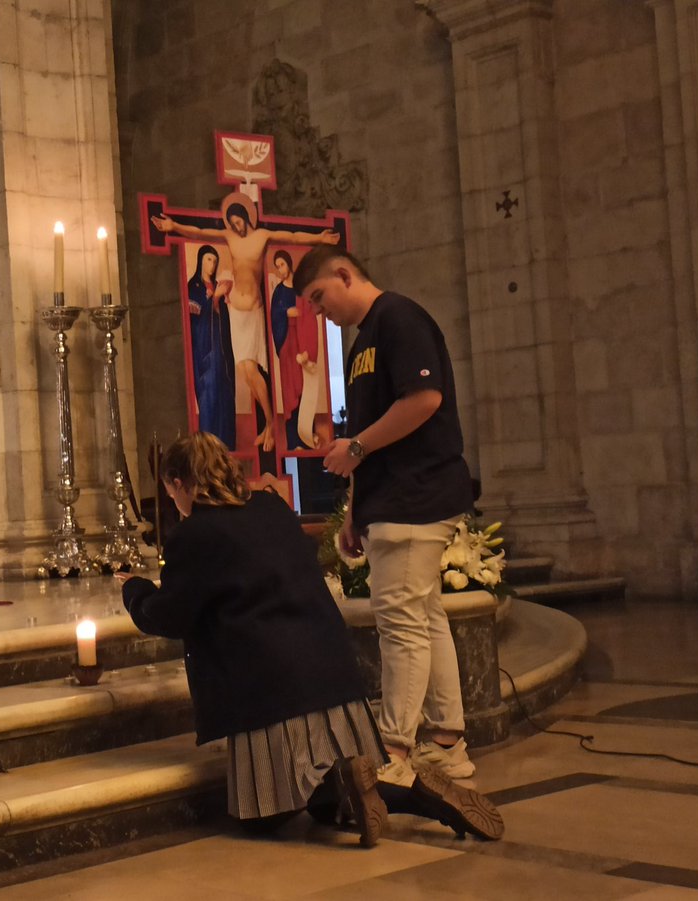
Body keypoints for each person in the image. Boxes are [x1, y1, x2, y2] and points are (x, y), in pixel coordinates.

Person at [118, 433, 504, 845]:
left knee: (263, 818)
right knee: (326, 805)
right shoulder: (272, 508)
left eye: (170, 490)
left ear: (179, 483)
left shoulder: (195, 534)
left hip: (272, 697)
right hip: (334, 683)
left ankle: (342, 779)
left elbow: (169, 616)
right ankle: (421, 798)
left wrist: (135, 589)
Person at [292, 246, 479, 785]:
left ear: (345, 275)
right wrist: (355, 509)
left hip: (417, 495)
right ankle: (447, 741)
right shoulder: (359, 346)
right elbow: (369, 433)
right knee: (425, 615)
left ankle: (395, 753)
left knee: (399, 623)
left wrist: (354, 451)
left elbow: (424, 399)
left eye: (319, 297)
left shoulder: (399, 316)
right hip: (390, 499)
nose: (318, 311)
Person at [152, 193, 340, 453]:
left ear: (244, 217)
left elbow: (292, 237)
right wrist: (174, 227)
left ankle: (271, 423)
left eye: (238, 221)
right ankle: (268, 424)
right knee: (243, 371)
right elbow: (201, 231)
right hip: (235, 310)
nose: (236, 227)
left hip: (252, 310)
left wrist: (319, 239)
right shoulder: (229, 237)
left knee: (251, 369)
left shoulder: (262, 236)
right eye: (232, 223)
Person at [269, 250, 332, 450]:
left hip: (301, 342)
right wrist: (285, 312)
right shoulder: (279, 292)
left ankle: (305, 437)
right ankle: (293, 441)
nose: (280, 269)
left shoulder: (300, 290)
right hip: (288, 344)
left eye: (282, 264)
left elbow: (309, 317)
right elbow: (274, 316)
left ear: (289, 264)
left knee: (306, 391)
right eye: (277, 266)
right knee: (290, 392)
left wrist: (306, 349)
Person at [187, 245, 235, 446]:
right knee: (209, 396)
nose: (212, 265)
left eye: (215, 261)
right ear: (200, 261)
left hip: (221, 351)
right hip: (205, 351)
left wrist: (221, 299)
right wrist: (213, 298)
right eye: (208, 259)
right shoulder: (194, 287)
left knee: (225, 395)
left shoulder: (218, 285)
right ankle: (208, 447)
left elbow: (223, 317)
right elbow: (194, 315)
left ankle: (226, 444)